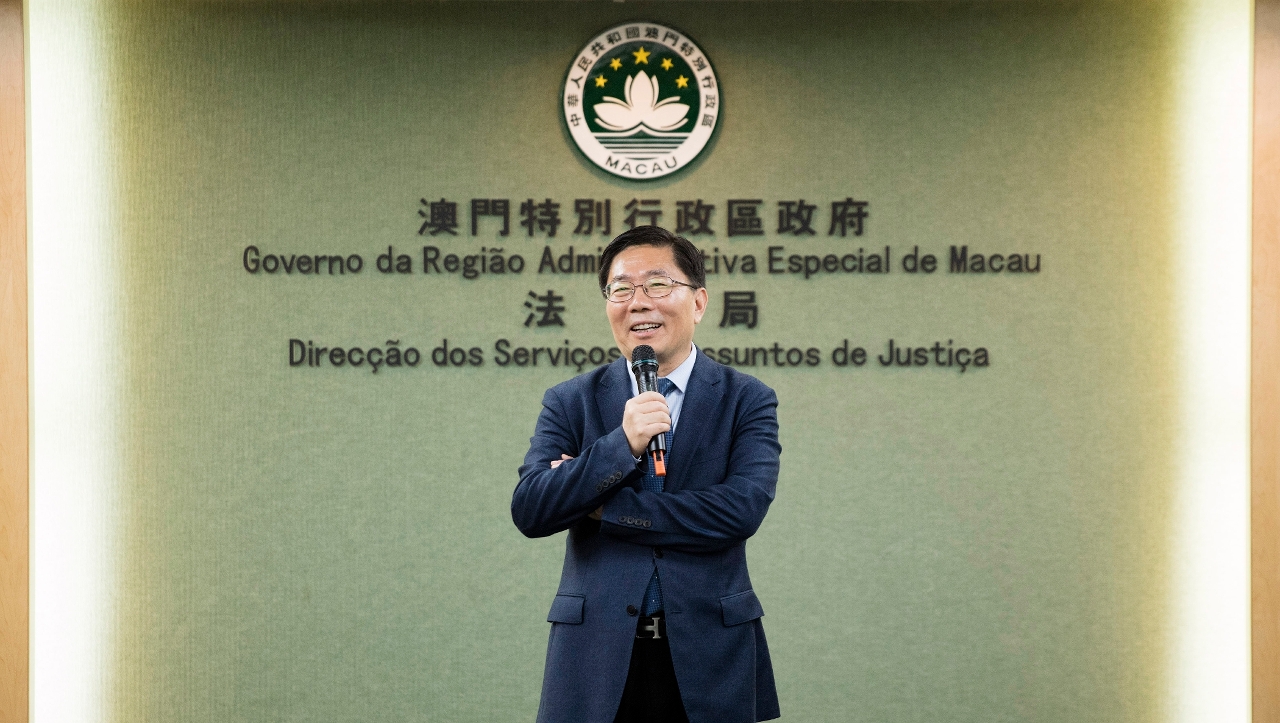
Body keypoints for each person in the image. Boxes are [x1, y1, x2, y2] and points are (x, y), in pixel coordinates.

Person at [512, 225, 781, 723]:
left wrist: (603, 506)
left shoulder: (747, 398)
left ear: (698, 302)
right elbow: (532, 508)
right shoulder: (570, 401)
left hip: (710, 655)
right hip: (595, 658)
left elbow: (739, 511)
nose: (638, 303)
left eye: (658, 285)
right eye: (621, 289)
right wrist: (621, 445)